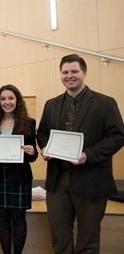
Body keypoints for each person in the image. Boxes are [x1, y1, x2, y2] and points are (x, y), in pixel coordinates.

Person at [37, 54, 124, 254]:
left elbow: (118, 136)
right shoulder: (52, 104)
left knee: (88, 240)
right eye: (65, 72)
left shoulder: (105, 103)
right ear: (60, 75)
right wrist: (45, 147)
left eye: (74, 71)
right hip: (58, 181)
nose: (70, 76)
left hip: (91, 179)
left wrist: (89, 154)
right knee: (59, 238)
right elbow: (42, 133)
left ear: (84, 72)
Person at [0, 84, 37, 254]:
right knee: (2, 218)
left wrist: (32, 152)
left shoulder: (28, 123)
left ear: (17, 100)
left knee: (19, 218)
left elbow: (32, 156)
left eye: (11, 98)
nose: (7, 102)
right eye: (3, 99)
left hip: (19, 177)